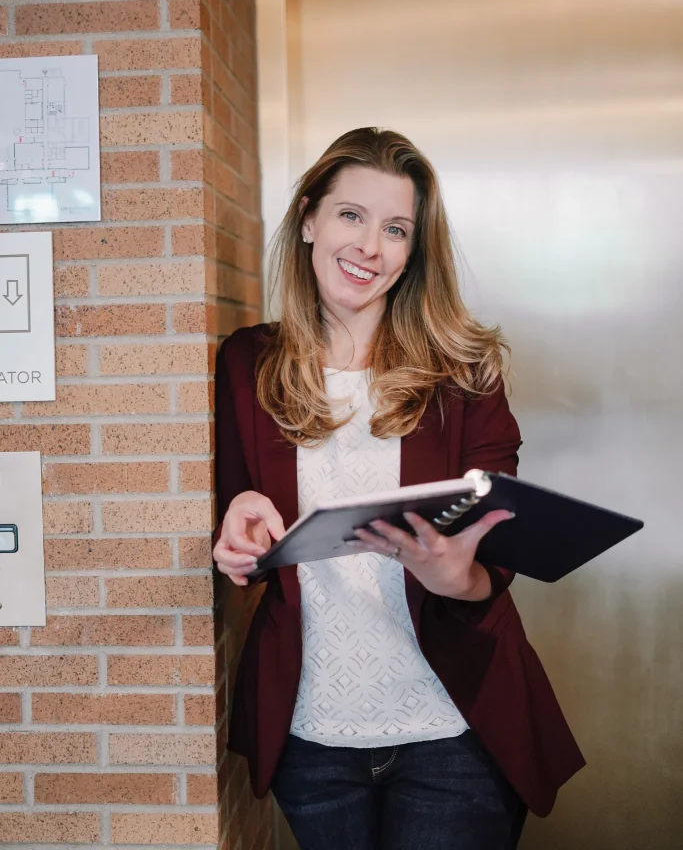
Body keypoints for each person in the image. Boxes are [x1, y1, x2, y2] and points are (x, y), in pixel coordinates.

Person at [213, 127, 584, 850]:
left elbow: (496, 546)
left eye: (395, 229)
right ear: (310, 219)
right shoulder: (245, 363)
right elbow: (236, 521)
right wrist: (239, 526)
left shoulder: (463, 369)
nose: (369, 247)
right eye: (351, 216)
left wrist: (461, 575)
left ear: (413, 251)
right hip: (311, 733)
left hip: (450, 729)